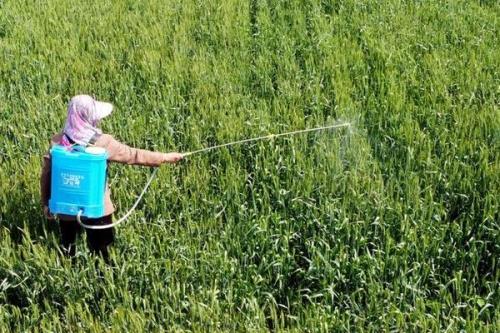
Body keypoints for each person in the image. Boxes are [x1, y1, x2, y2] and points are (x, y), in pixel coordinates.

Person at [40, 95, 183, 262]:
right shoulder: (103, 143)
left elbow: (46, 176)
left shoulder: (57, 143)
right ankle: (104, 280)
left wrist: (46, 203)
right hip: (97, 209)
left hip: (66, 209)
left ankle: (70, 275)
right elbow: (133, 155)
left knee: (68, 248)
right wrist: (164, 157)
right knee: (103, 252)